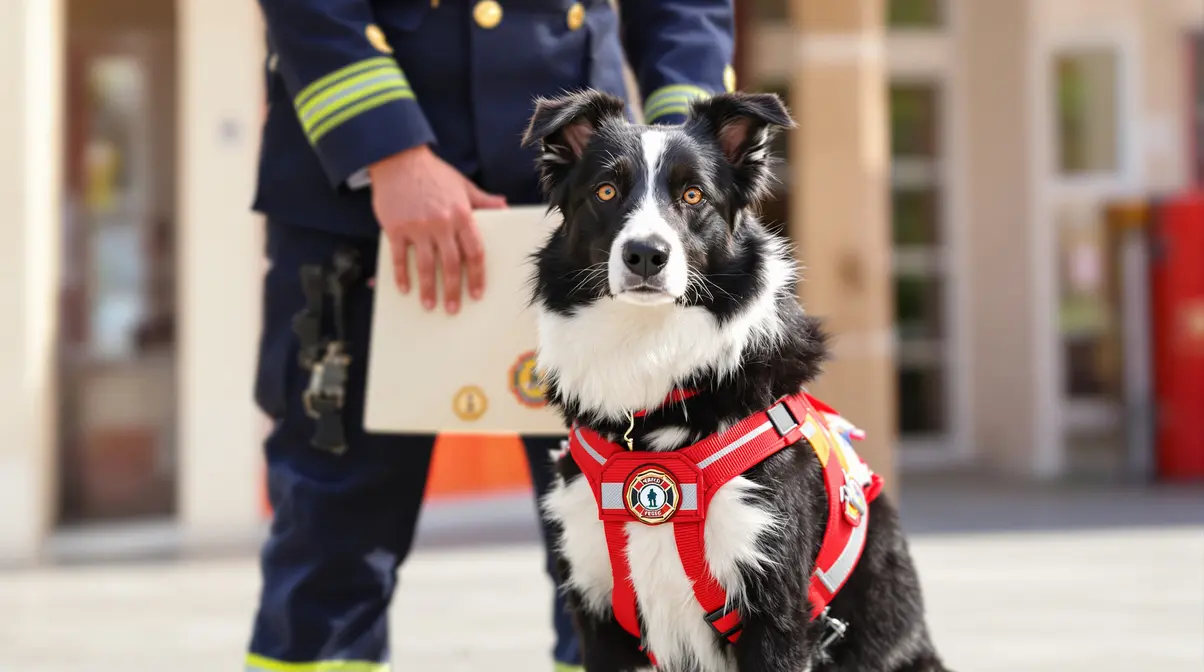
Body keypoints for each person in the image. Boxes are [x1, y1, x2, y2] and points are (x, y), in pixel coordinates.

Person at [244, 1, 736, 670]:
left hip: (592, 216)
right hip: (359, 209)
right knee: (329, 544)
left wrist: (678, 158)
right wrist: (388, 150)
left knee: (622, 548)